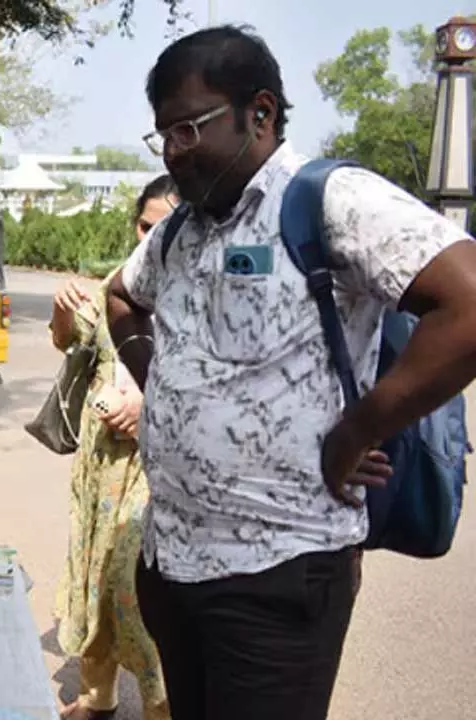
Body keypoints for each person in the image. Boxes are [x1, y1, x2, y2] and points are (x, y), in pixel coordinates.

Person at [106, 25, 476, 720]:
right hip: (173, 563)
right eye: (163, 135)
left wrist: (358, 428)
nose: (173, 153)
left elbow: (469, 305)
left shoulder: (329, 201)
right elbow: (121, 296)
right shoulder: (182, 229)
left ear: (261, 113)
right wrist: (159, 386)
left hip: (278, 575)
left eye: (189, 128)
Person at [51, 175, 178, 720]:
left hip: (158, 470)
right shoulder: (116, 284)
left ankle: (161, 704)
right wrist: (61, 306)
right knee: (95, 578)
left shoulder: (198, 295)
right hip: (100, 465)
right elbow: (67, 339)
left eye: (166, 227)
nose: (151, 237)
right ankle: (98, 694)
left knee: (140, 589)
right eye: (145, 225)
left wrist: (148, 410)